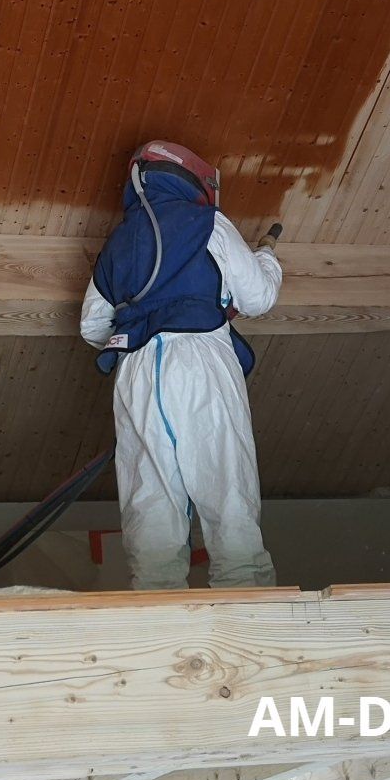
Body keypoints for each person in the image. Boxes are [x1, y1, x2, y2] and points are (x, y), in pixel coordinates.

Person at [79, 141, 284, 590]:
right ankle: (250, 609)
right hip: (200, 358)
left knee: (150, 499)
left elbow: (93, 328)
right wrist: (266, 258)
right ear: (199, 184)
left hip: (135, 373)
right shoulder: (207, 223)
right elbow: (259, 298)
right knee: (225, 484)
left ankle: (157, 613)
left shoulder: (118, 242)